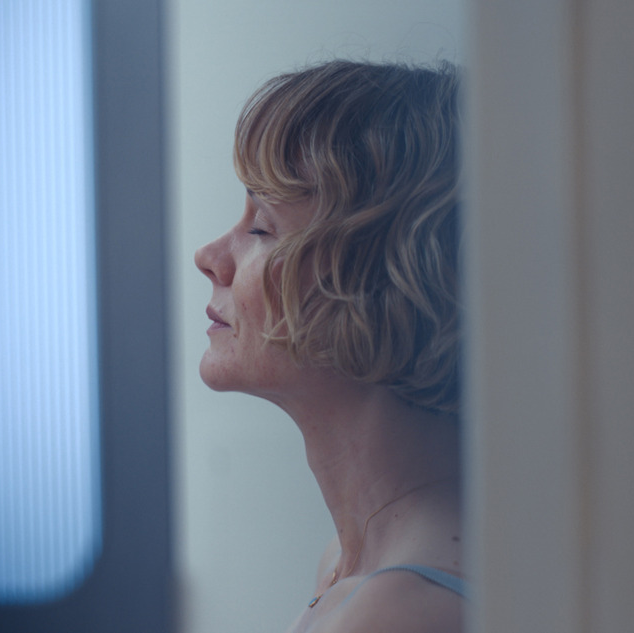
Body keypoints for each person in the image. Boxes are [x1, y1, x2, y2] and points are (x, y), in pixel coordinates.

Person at [195, 60, 465, 633]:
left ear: (377, 283)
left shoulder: (395, 612)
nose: (209, 256)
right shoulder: (348, 568)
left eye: (262, 228)